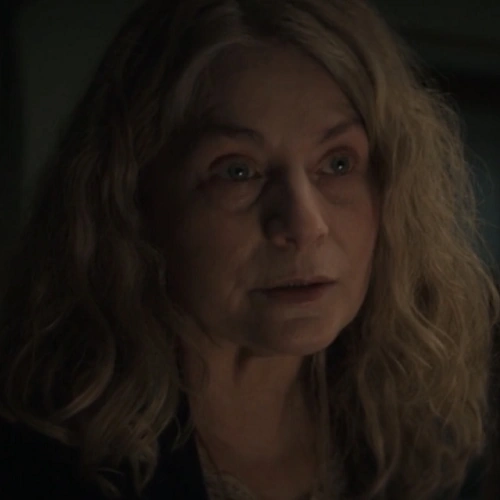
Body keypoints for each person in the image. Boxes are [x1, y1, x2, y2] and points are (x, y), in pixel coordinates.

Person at [0, 0, 498, 499]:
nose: (305, 225)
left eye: (338, 163)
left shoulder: (423, 441)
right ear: (134, 197)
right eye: (238, 171)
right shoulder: (43, 458)